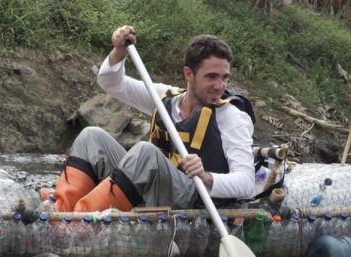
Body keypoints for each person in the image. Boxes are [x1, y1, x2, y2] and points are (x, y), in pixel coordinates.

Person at [53, 26, 255, 212]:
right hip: (152, 186)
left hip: (194, 199)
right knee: (91, 137)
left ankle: (80, 224)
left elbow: (246, 182)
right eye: (211, 77)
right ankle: (61, 212)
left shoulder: (232, 117)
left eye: (224, 77)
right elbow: (110, 83)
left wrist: (206, 176)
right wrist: (118, 52)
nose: (220, 86)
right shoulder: (164, 97)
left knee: (145, 152)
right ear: (188, 73)